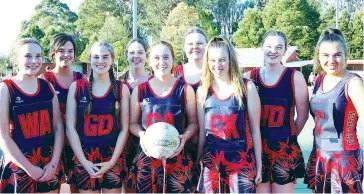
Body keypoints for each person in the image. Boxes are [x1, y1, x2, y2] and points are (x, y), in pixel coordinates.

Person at [128, 40, 198, 193]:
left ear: (173, 60)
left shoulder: (185, 89)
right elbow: (132, 123)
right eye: (157, 58)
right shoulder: (139, 90)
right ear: (150, 61)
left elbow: (194, 122)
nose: (162, 62)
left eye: (166, 57)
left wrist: (184, 137)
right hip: (147, 157)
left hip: (177, 155)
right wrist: (142, 135)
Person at [244, 30, 309, 193]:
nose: (273, 51)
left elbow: (302, 116)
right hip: (257, 151)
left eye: (279, 47)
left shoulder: (294, 77)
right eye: (269, 46)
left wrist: (287, 138)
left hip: (283, 150)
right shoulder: (248, 78)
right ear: (261, 48)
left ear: (285, 51)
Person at [196, 36, 262, 193]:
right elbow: (202, 134)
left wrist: (259, 165)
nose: (217, 65)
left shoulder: (247, 88)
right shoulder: (202, 91)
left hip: (240, 159)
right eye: (212, 60)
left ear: (230, 60)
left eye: (222, 60)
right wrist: (198, 160)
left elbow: (255, 130)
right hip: (211, 161)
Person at [0, 38, 64, 193]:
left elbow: (58, 127)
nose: (34, 61)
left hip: (49, 165)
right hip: (20, 165)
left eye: (38, 56)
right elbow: (3, 136)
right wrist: (29, 168)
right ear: (17, 59)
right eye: (28, 56)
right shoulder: (6, 88)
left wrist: (54, 163)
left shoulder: (47, 86)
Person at [304, 28, 364, 193]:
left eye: (337, 55)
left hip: (345, 159)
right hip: (321, 156)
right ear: (319, 56)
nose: (331, 60)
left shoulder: (352, 83)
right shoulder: (319, 81)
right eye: (325, 55)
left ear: (345, 56)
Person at [66, 41, 130, 193]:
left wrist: (112, 161)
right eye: (96, 57)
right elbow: (70, 127)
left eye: (105, 57)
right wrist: (84, 161)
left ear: (112, 60)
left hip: (112, 156)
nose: (100, 61)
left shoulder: (122, 89)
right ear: (90, 59)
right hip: (84, 156)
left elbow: (125, 129)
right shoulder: (77, 87)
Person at [39, 33, 84, 193]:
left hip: (76, 140)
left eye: (70, 51)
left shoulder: (82, 80)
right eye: (61, 51)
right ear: (53, 53)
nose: (66, 55)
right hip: (53, 141)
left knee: (77, 186)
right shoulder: (44, 80)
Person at [118, 38, 150, 192]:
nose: (136, 56)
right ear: (127, 55)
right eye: (132, 52)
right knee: (128, 183)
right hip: (124, 139)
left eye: (140, 52)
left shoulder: (154, 80)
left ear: (146, 55)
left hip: (148, 138)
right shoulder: (118, 83)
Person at [174, 27, 208, 92]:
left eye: (199, 43)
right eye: (190, 44)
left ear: (207, 45)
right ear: (184, 48)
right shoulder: (176, 73)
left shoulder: (214, 71)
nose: (195, 47)